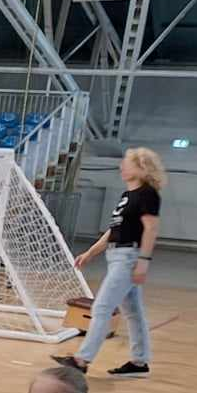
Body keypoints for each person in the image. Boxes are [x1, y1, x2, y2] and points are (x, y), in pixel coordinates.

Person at [58, 146, 164, 378]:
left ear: (141, 168)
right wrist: (90, 252)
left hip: (129, 257)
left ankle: (82, 360)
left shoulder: (147, 194)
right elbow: (113, 230)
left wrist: (143, 261)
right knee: (134, 312)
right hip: (116, 256)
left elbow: (151, 228)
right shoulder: (127, 196)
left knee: (102, 307)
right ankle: (140, 362)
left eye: (127, 163)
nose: (121, 166)